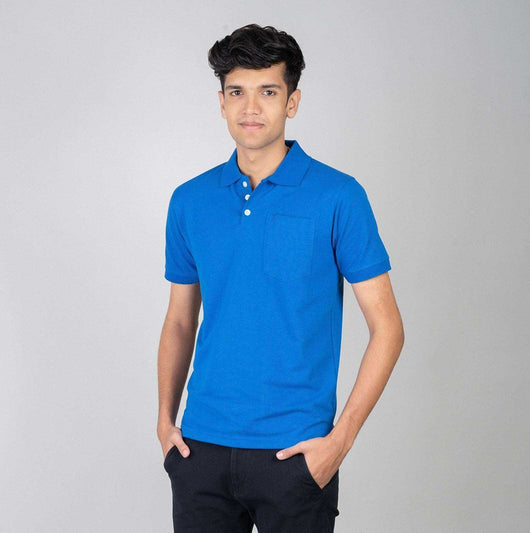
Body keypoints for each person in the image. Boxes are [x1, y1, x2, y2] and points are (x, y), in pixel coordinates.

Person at [157, 23, 404, 533]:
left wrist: (339, 442)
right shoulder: (190, 200)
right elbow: (180, 320)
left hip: (295, 453)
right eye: (237, 92)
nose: (251, 108)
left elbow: (388, 329)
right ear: (221, 102)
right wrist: (165, 421)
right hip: (200, 449)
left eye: (268, 92)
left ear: (292, 102)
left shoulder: (338, 196)